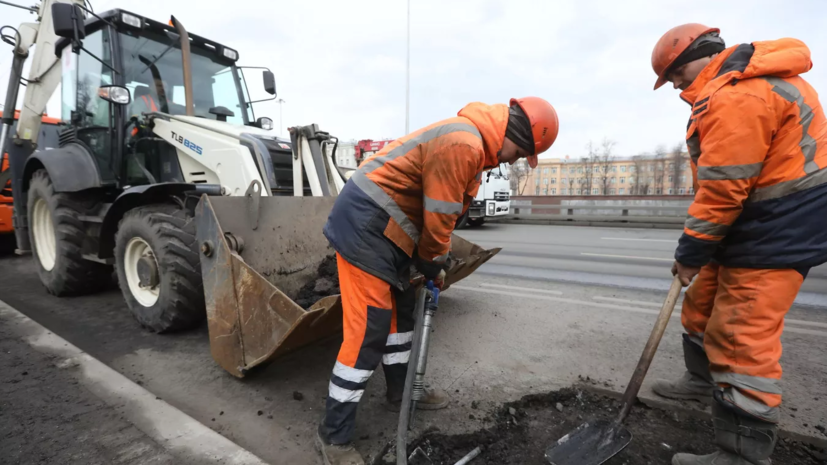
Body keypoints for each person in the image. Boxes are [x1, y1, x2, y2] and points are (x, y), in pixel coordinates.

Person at [316, 97, 559, 465]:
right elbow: (440, 218)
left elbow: (441, 214)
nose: (515, 160)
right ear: (515, 135)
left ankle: (402, 393)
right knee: (369, 330)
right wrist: (433, 265)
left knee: (401, 319)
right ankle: (333, 437)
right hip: (366, 225)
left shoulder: (475, 146)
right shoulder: (464, 144)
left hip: (390, 229)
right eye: (521, 152)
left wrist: (430, 263)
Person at [651, 23, 827, 465]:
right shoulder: (737, 87)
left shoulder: (737, 96)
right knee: (701, 306)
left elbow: (724, 189)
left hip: (776, 229)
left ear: (694, 59)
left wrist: (690, 252)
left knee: (738, 335)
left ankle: (742, 455)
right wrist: (700, 252)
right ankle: (701, 382)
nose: (675, 86)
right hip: (750, 222)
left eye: (674, 75)